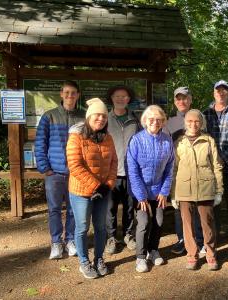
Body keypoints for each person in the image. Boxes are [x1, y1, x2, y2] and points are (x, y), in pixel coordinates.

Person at [66, 98, 118, 279]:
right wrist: (96, 186)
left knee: (101, 227)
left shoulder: (108, 138)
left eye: (104, 116)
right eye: (97, 115)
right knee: (82, 227)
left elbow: (114, 163)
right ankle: (84, 262)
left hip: (103, 191)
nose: (101, 119)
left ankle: (99, 259)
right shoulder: (76, 137)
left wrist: (108, 185)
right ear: (89, 117)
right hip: (81, 191)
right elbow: (74, 165)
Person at [34, 80, 85, 259]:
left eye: (73, 93)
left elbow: (88, 144)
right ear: (61, 94)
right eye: (67, 92)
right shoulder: (49, 116)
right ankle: (56, 243)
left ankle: (70, 240)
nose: (70, 96)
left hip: (76, 173)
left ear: (78, 95)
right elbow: (40, 143)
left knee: (73, 210)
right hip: (54, 173)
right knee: (54, 209)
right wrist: (45, 168)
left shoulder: (83, 117)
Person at [171, 109, 223, 271]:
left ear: (202, 123)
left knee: (207, 224)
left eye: (197, 121)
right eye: (190, 121)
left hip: (205, 188)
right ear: (185, 122)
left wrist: (219, 190)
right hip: (184, 189)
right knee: (187, 225)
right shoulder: (179, 141)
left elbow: (217, 166)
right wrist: (173, 194)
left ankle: (210, 254)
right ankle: (192, 255)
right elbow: (173, 168)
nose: (193, 124)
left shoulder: (208, 140)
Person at [126, 105, 175, 273]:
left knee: (159, 221)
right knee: (144, 222)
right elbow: (132, 171)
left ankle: (153, 250)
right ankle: (140, 257)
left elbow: (170, 168)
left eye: (159, 119)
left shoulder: (167, 140)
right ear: (145, 121)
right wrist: (141, 196)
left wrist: (164, 191)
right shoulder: (137, 140)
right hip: (141, 192)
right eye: (151, 119)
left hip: (159, 191)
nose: (155, 122)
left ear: (163, 122)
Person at [164, 87, 204, 255]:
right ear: (175, 101)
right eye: (178, 99)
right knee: (180, 207)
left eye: (185, 98)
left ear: (190, 99)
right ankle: (182, 239)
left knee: (197, 206)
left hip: (197, 171)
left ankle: (200, 239)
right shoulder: (169, 122)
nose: (182, 101)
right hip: (178, 171)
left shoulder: (199, 117)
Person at [203, 80, 228, 247]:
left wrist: (222, 159)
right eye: (218, 90)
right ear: (214, 93)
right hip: (209, 165)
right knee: (213, 200)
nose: (221, 93)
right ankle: (216, 231)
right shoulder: (205, 113)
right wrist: (211, 160)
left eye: (224, 90)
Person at [105, 85, 140, 254]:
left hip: (131, 172)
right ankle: (111, 238)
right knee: (110, 208)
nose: (120, 99)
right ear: (111, 98)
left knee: (129, 207)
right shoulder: (104, 119)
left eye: (124, 96)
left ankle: (128, 235)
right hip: (110, 172)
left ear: (128, 99)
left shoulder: (135, 119)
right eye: (117, 96)